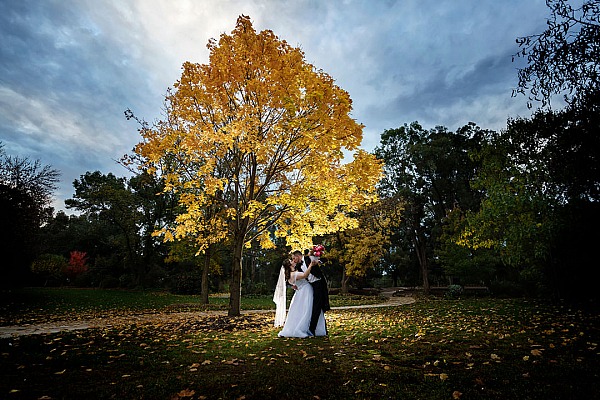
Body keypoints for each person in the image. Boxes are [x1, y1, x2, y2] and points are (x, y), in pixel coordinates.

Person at [276, 258, 326, 338]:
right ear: (289, 265)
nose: (293, 261)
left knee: (300, 311)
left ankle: (309, 328)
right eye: (291, 261)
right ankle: (302, 329)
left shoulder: (290, 275)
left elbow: (295, 284)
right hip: (306, 291)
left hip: (300, 293)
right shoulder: (294, 274)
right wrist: (310, 265)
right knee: (307, 309)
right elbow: (304, 275)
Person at [292, 248, 330, 336]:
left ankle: (312, 329)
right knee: (315, 306)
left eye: (294, 258)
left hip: (319, 283)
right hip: (311, 286)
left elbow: (324, 259)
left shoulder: (308, 258)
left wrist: (318, 262)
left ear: (298, 256)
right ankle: (318, 329)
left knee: (318, 306)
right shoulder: (298, 266)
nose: (294, 260)